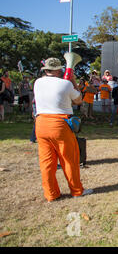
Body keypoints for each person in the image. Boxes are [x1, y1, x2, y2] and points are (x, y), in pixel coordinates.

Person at [33, 57, 93, 202]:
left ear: (45, 70)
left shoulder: (37, 82)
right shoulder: (65, 84)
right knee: (69, 159)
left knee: (47, 162)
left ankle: (51, 194)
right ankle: (77, 190)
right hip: (60, 124)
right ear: (59, 70)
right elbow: (78, 100)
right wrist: (72, 81)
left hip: (40, 124)